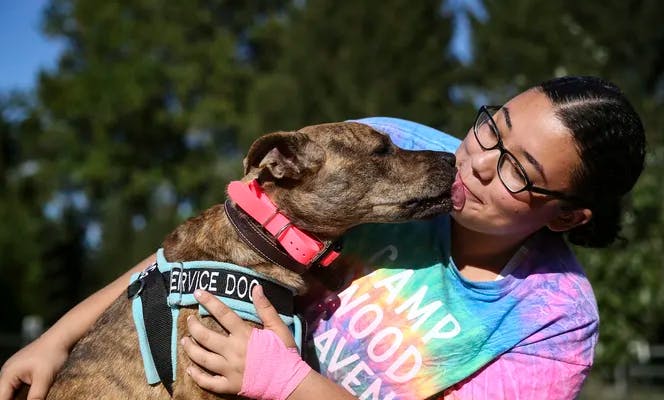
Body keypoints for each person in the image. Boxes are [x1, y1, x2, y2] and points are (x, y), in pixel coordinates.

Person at [0, 75, 646, 400]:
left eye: (517, 171)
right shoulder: (401, 151)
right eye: (492, 128)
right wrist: (57, 339)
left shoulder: (551, 319)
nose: (476, 161)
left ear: (566, 216)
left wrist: (287, 382)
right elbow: (200, 249)